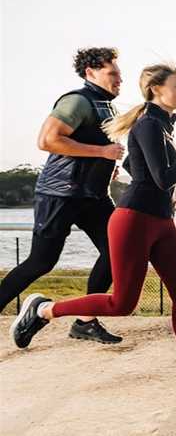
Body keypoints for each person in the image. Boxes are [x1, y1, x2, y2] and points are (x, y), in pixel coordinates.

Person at [11, 64, 176, 391]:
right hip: (134, 221)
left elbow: (134, 165)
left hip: (160, 221)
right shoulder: (148, 125)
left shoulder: (160, 126)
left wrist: (167, 194)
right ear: (157, 89)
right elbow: (162, 176)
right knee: (121, 303)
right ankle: (44, 309)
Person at [0, 48, 125, 344]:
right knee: (41, 262)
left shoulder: (107, 106)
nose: (120, 78)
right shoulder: (77, 101)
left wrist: (106, 167)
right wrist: (102, 153)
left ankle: (85, 322)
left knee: (117, 253)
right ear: (90, 72)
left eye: (119, 73)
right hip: (60, 194)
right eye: (113, 73)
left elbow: (92, 146)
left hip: (94, 196)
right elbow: (48, 140)